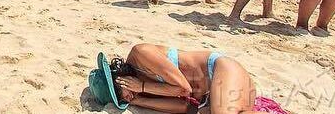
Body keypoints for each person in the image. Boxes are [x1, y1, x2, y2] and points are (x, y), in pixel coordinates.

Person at [89, 44, 264, 114]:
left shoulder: (140, 54)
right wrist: (139, 100)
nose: (126, 98)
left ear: (119, 77)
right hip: (211, 96)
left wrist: (142, 86)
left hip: (220, 69)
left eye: (120, 92)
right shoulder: (141, 90)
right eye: (120, 100)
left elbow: (184, 89)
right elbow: (184, 106)